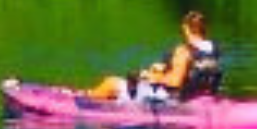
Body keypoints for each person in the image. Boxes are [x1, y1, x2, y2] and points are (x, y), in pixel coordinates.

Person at [86, 11, 223, 103]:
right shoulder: (214, 48)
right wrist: (163, 68)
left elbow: (176, 82)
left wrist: (151, 76)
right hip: (197, 95)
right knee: (151, 72)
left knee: (110, 82)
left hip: (171, 99)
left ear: (186, 28)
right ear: (204, 28)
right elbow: (195, 70)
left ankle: (85, 100)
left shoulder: (183, 51)